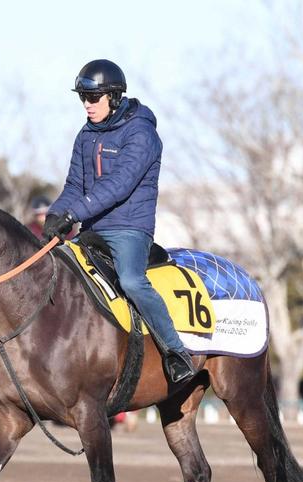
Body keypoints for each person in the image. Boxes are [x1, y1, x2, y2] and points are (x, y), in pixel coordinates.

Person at [43, 59, 195, 385]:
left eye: (93, 98)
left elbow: (119, 185)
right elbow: (74, 186)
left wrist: (74, 214)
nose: (87, 105)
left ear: (113, 96)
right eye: (82, 97)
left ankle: (176, 352)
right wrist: (56, 214)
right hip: (92, 229)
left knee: (130, 282)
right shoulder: (86, 135)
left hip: (129, 229)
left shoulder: (142, 134)